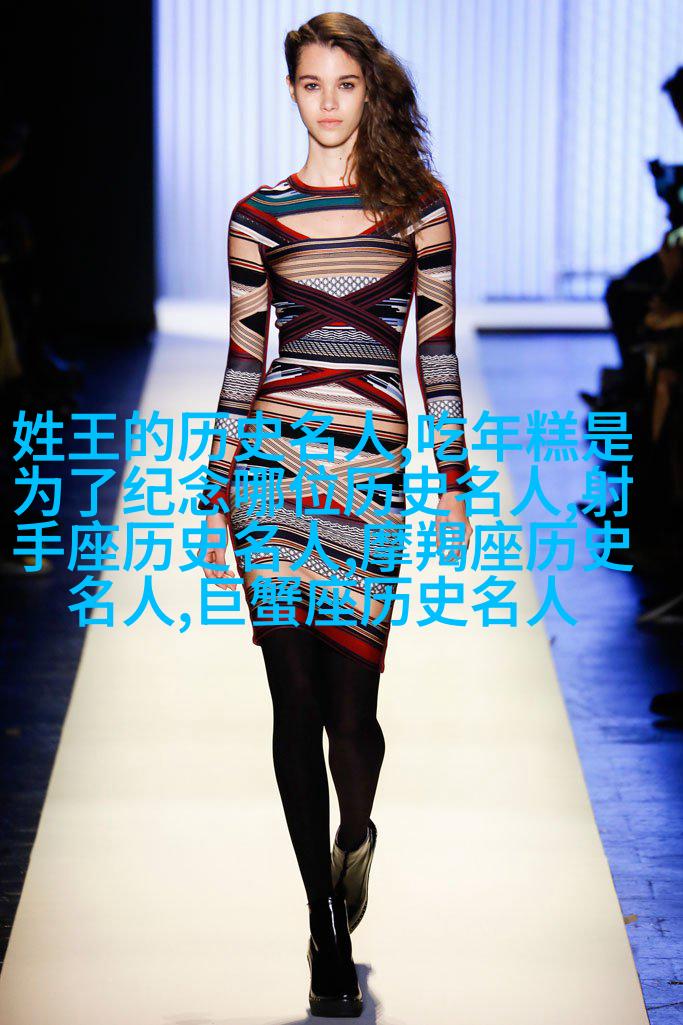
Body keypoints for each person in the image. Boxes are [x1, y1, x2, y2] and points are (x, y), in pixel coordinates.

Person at [196, 12, 472, 1017]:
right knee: (293, 703)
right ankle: (322, 928)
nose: (326, 102)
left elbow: (433, 352)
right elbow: (244, 358)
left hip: (369, 474)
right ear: (290, 91)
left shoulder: (418, 208)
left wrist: (452, 477)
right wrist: (216, 479)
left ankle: (353, 836)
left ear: (368, 90)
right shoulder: (256, 216)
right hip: (270, 471)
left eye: (344, 84)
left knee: (351, 713)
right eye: (310, 84)